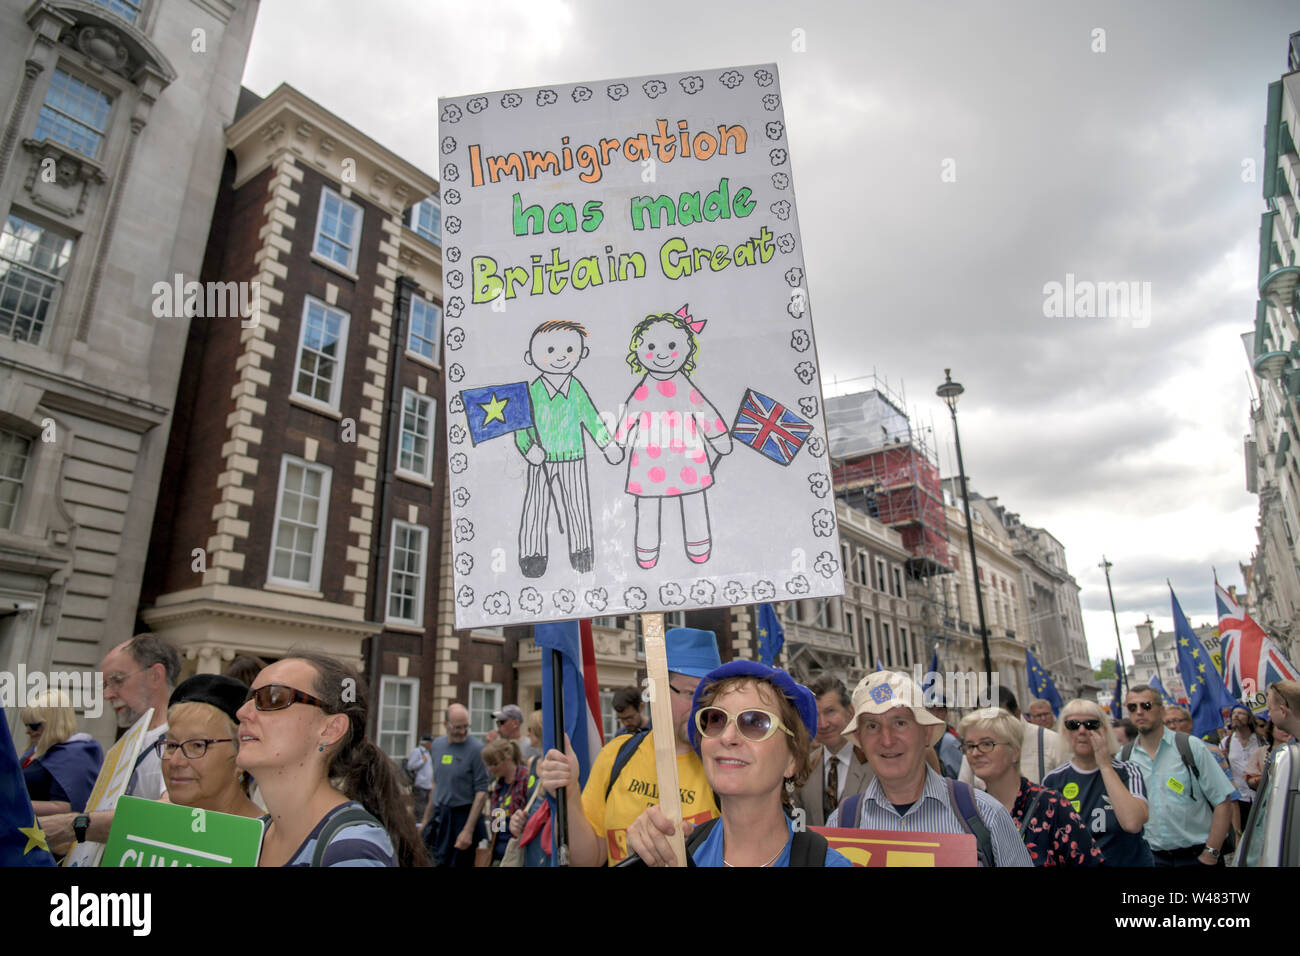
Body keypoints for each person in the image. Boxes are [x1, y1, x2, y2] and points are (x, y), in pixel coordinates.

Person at [629, 661, 850, 866]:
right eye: (716, 719)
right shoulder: (679, 852)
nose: (727, 737)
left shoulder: (826, 863)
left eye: (755, 722)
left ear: (791, 759)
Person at [537, 626, 722, 865]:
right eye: (690, 693)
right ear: (657, 690)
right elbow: (588, 859)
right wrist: (570, 791)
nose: (701, 706)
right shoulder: (616, 754)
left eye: (709, 695)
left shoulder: (724, 763)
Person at [236, 652, 427, 866]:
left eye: (273, 697)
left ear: (330, 729)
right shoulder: (250, 839)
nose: (242, 712)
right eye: (248, 699)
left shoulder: (350, 851)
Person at [826, 671, 1033, 867]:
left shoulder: (986, 816)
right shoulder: (840, 825)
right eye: (872, 726)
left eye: (899, 723)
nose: (886, 740)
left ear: (926, 733)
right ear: (860, 739)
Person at [613, 307, 733, 568]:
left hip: (685, 455)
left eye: (670, 345)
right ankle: (646, 551)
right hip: (650, 457)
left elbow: (704, 411)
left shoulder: (684, 386)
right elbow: (629, 415)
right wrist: (618, 441)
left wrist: (719, 437)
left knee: (693, 501)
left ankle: (699, 545)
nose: (662, 354)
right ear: (639, 350)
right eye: (652, 346)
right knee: (647, 506)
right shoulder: (645, 388)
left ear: (687, 348)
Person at [39, 633, 180, 850]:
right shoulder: (130, 741)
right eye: (105, 684)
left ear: (155, 675)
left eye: (117, 680)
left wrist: (72, 825)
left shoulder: (178, 741)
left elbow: (168, 813)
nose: (107, 694)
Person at [514, 319, 622, 577]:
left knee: (577, 505)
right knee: (536, 504)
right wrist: (528, 448)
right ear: (531, 357)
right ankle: (532, 554)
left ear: (581, 354)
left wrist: (607, 444)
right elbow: (521, 426)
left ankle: (582, 551)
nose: (560, 357)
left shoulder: (575, 390)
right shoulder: (532, 391)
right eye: (550, 351)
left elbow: (592, 418)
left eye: (569, 351)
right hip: (541, 459)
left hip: (573, 456)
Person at [959, 707, 1102, 866]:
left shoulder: (1051, 806)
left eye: (986, 744)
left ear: (1014, 752)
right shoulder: (971, 812)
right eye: (970, 746)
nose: (975, 753)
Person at [1121, 684, 1234, 867]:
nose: (1139, 712)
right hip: (1153, 858)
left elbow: (1223, 800)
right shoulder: (1125, 756)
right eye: (1132, 707)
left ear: (1162, 710)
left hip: (1197, 856)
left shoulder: (1191, 746)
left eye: (1146, 705)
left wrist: (1211, 853)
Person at [1041, 699, 1151, 866]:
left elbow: (1133, 823)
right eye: (1073, 724)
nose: (1082, 730)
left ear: (1105, 730)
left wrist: (1105, 766)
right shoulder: (1053, 780)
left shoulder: (1127, 771)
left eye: (1091, 724)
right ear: (1064, 731)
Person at [160, 674, 260, 819]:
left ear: (241, 754)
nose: (176, 762)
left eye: (197, 745)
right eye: (171, 745)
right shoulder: (150, 828)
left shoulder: (262, 838)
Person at [417, 703, 489, 867]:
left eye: (466, 727)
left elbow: (482, 793)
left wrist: (468, 830)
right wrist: (426, 820)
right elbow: (436, 784)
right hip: (441, 815)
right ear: (446, 725)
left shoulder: (477, 749)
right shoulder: (437, 746)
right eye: (457, 727)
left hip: (464, 815)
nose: (462, 732)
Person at [797, 674, 873, 825]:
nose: (823, 723)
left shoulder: (876, 762)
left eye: (830, 711)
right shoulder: (802, 770)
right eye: (815, 715)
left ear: (850, 712)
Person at [959, 685, 1064, 787]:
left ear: (1017, 714)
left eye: (998, 720)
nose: (990, 726)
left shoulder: (1052, 741)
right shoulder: (973, 751)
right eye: (983, 720)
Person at [20, 689, 103, 815]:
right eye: (26, 725)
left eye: (34, 726)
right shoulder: (39, 749)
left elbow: (68, 807)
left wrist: (14, 805)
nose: (28, 731)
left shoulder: (76, 755)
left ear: (54, 723)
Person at [481, 738, 530, 864]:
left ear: (508, 758)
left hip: (518, 855)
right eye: (488, 764)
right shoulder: (498, 785)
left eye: (494, 763)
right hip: (499, 855)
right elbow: (497, 826)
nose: (491, 768)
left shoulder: (525, 779)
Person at [1221, 705, 1262, 823]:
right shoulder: (1226, 743)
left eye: (1241, 713)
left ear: (1249, 718)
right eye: (1233, 713)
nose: (1236, 716)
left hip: (1260, 794)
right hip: (1239, 798)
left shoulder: (1261, 740)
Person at [928, 697, 963, 779]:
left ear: (946, 712)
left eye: (940, 710)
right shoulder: (923, 736)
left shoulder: (950, 739)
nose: (935, 714)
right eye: (932, 709)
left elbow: (961, 777)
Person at [406, 734, 434, 814]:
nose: (432, 745)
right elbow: (410, 766)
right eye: (431, 742)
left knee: (425, 807)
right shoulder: (417, 751)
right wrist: (422, 761)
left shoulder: (427, 753)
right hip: (419, 784)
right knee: (419, 807)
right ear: (426, 743)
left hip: (427, 785)